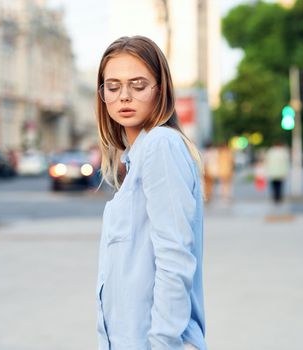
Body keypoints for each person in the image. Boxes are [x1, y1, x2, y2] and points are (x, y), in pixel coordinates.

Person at [95, 36, 206, 350]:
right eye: (113, 87)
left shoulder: (161, 146)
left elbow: (175, 255)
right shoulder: (139, 156)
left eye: (138, 85)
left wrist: (163, 341)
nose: (124, 97)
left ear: (161, 89)